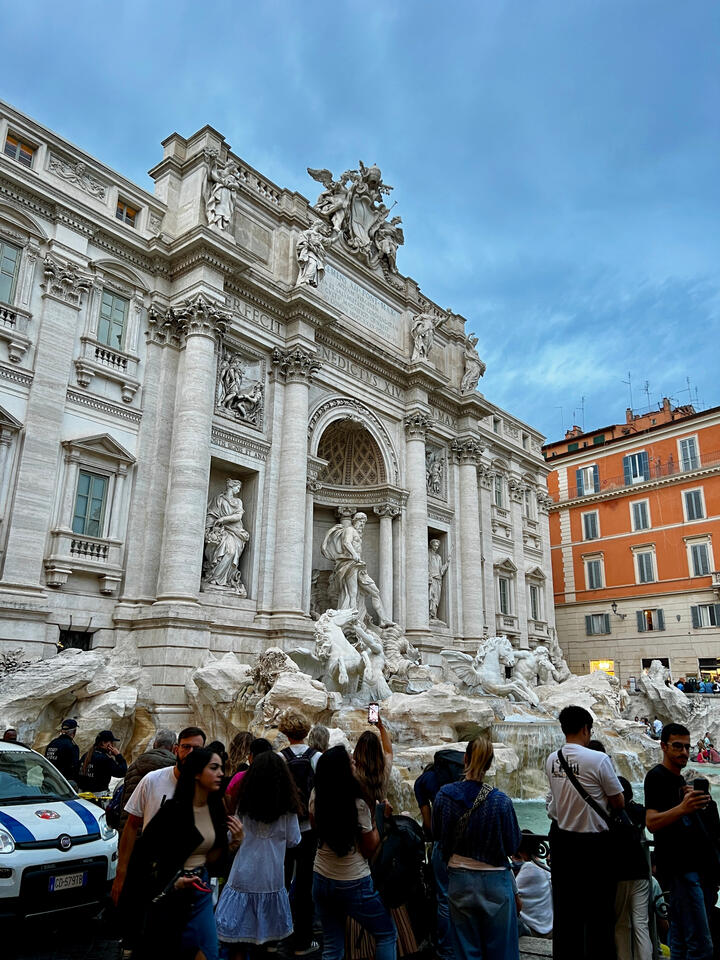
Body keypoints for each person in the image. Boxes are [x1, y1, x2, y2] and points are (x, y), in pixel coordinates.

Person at [119, 747, 242, 960]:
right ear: (196, 773)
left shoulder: (214, 809)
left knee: (209, 952)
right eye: (214, 768)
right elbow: (144, 857)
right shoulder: (173, 811)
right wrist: (172, 882)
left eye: (221, 768)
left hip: (200, 889)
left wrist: (234, 845)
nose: (221, 773)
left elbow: (212, 861)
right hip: (172, 893)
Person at [546, 705, 624, 960]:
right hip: (595, 845)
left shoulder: (552, 759)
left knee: (566, 912)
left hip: (563, 843)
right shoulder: (598, 759)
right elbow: (618, 801)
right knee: (599, 913)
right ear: (585, 729)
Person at [433, 734, 521, 960]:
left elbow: (438, 836)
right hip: (495, 882)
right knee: (501, 953)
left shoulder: (444, 795)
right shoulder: (501, 801)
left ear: (465, 760)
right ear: (490, 764)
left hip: (459, 880)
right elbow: (512, 844)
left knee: (464, 951)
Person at [310, 745, 397, 960]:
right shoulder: (357, 804)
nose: (355, 764)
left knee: (332, 946)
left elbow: (316, 829)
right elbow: (369, 849)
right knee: (386, 934)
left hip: (321, 876)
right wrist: (378, 820)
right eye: (350, 763)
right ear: (342, 770)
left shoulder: (316, 795)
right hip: (353, 881)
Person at [645, 721, 720, 960]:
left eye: (687, 747)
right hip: (681, 870)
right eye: (677, 747)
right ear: (664, 746)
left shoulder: (678, 780)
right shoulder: (656, 777)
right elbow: (652, 822)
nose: (684, 752)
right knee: (700, 944)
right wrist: (684, 807)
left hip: (689, 869)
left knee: (679, 937)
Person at [216, 751, 302, 955]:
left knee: (236, 941)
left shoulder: (244, 806)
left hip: (242, 878)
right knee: (265, 944)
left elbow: (231, 837)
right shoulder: (288, 810)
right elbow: (294, 841)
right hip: (271, 880)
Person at [111, 726, 206, 906]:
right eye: (186, 747)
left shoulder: (208, 788)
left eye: (197, 749)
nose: (191, 753)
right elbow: (131, 825)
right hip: (151, 870)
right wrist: (121, 873)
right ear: (176, 749)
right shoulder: (152, 780)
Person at [414, 749, 464, 960]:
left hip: (442, 845)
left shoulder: (423, 782)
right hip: (466, 846)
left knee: (444, 898)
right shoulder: (460, 780)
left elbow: (427, 824)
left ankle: (445, 949)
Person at [278, 710, 320, 956]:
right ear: (306, 731)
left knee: (281, 883)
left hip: (284, 830)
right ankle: (303, 940)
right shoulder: (317, 758)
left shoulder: (279, 758)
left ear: (285, 731)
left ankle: (278, 936)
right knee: (305, 885)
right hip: (309, 830)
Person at [614, 777, 652, 960]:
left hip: (619, 874)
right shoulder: (638, 810)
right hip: (641, 871)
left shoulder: (609, 813)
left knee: (621, 924)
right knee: (641, 924)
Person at [117, 729, 176, 832]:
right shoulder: (175, 770)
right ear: (174, 748)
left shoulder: (134, 766)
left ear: (154, 744)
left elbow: (123, 801)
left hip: (130, 831)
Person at [513, 832, 552, 939]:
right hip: (548, 927)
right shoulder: (545, 869)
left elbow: (513, 894)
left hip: (533, 929)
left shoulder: (529, 868)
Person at [224, 737, 272, 814]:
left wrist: (233, 812)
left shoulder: (240, 776)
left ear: (251, 757)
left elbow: (228, 794)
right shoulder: (278, 776)